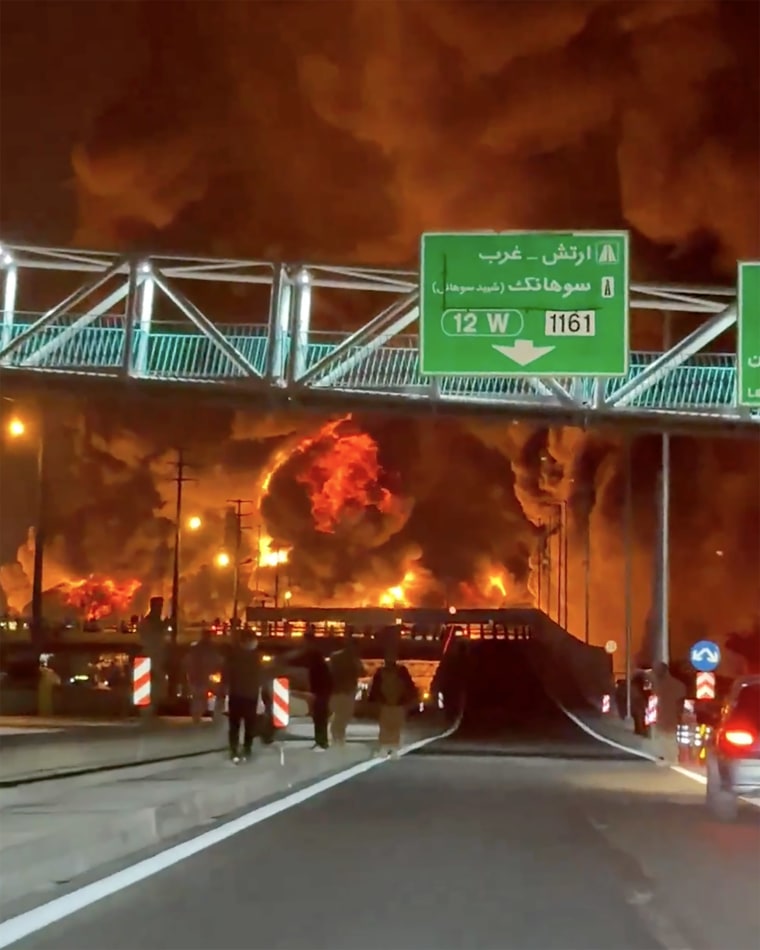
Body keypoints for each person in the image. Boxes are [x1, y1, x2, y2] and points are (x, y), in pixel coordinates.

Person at [223, 630, 262, 763]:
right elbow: (259, 677)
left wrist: (225, 692)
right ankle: (247, 749)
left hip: (236, 695)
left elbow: (226, 675)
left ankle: (234, 749)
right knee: (249, 725)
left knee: (234, 725)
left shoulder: (233, 655)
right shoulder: (255, 657)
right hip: (250, 696)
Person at [369, 653, 416, 758]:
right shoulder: (402, 671)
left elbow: (375, 688)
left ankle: (384, 748)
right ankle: (394, 748)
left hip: (385, 703)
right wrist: (409, 700)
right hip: (399, 703)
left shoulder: (380, 672)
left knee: (385, 726)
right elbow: (409, 686)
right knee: (396, 726)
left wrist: (374, 700)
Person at [329, 635, 366, 746]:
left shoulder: (335, 657)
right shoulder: (354, 659)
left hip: (336, 690)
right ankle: (339, 735)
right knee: (344, 714)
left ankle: (336, 735)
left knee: (339, 714)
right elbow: (362, 672)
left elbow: (329, 672)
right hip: (347, 691)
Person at [653, 662, 686, 765]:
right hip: (671, 717)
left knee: (665, 737)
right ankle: (672, 758)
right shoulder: (679, 685)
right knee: (670, 738)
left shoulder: (658, 685)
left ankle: (667, 758)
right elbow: (681, 703)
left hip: (665, 716)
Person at [185, 628, 220, 724]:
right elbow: (216, 660)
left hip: (195, 677)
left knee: (197, 697)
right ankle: (199, 715)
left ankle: (196, 716)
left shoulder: (195, 648)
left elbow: (188, 661)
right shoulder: (211, 649)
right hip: (204, 677)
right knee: (203, 697)